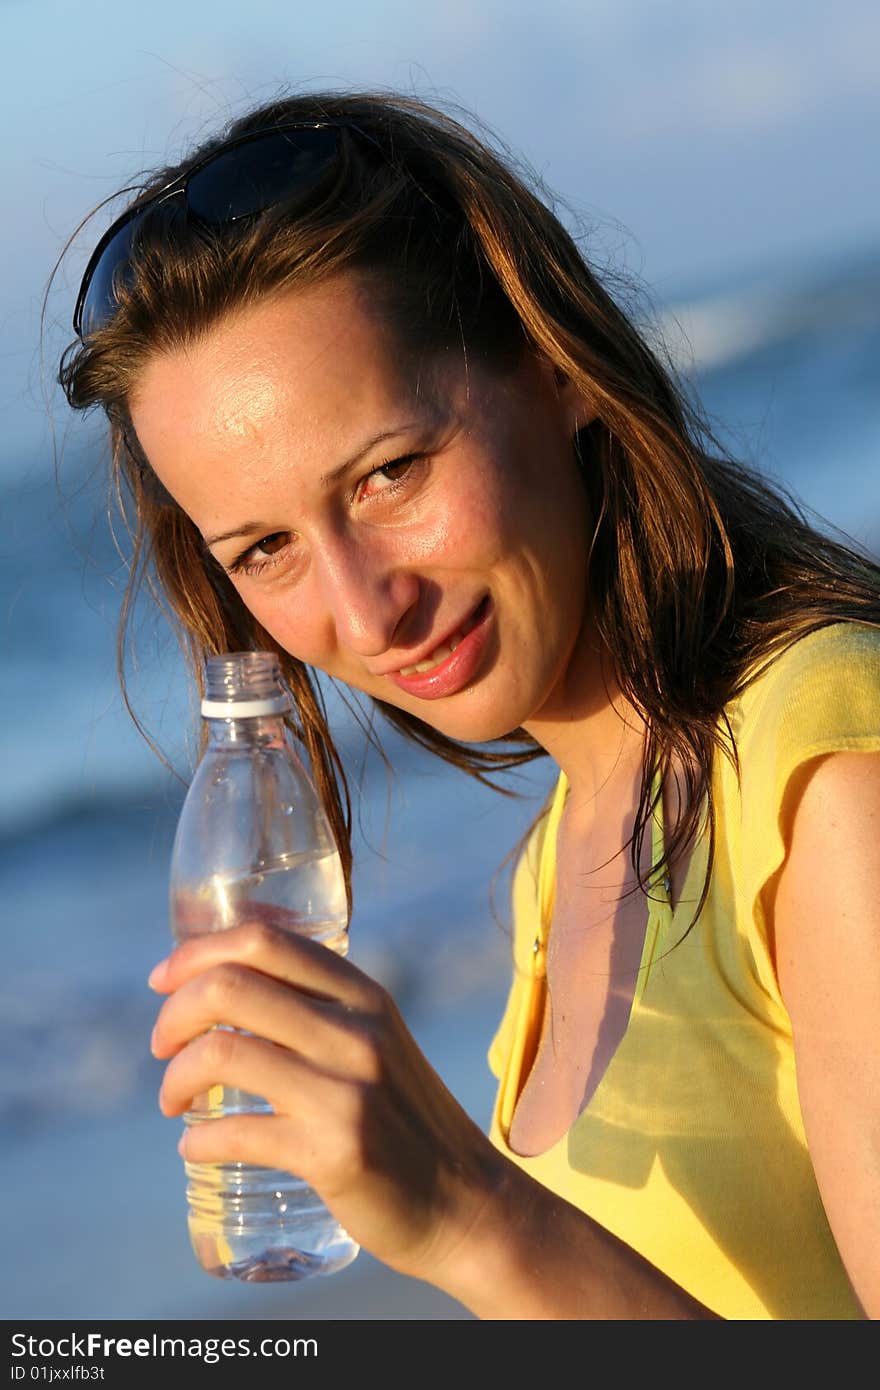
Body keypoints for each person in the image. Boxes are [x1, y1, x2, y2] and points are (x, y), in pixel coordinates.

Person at [58, 90, 880, 1321]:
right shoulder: (574, 844)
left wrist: (466, 1212)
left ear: (553, 366)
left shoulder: (827, 765)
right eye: (265, 547)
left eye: (390, 473)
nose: (366, 607)